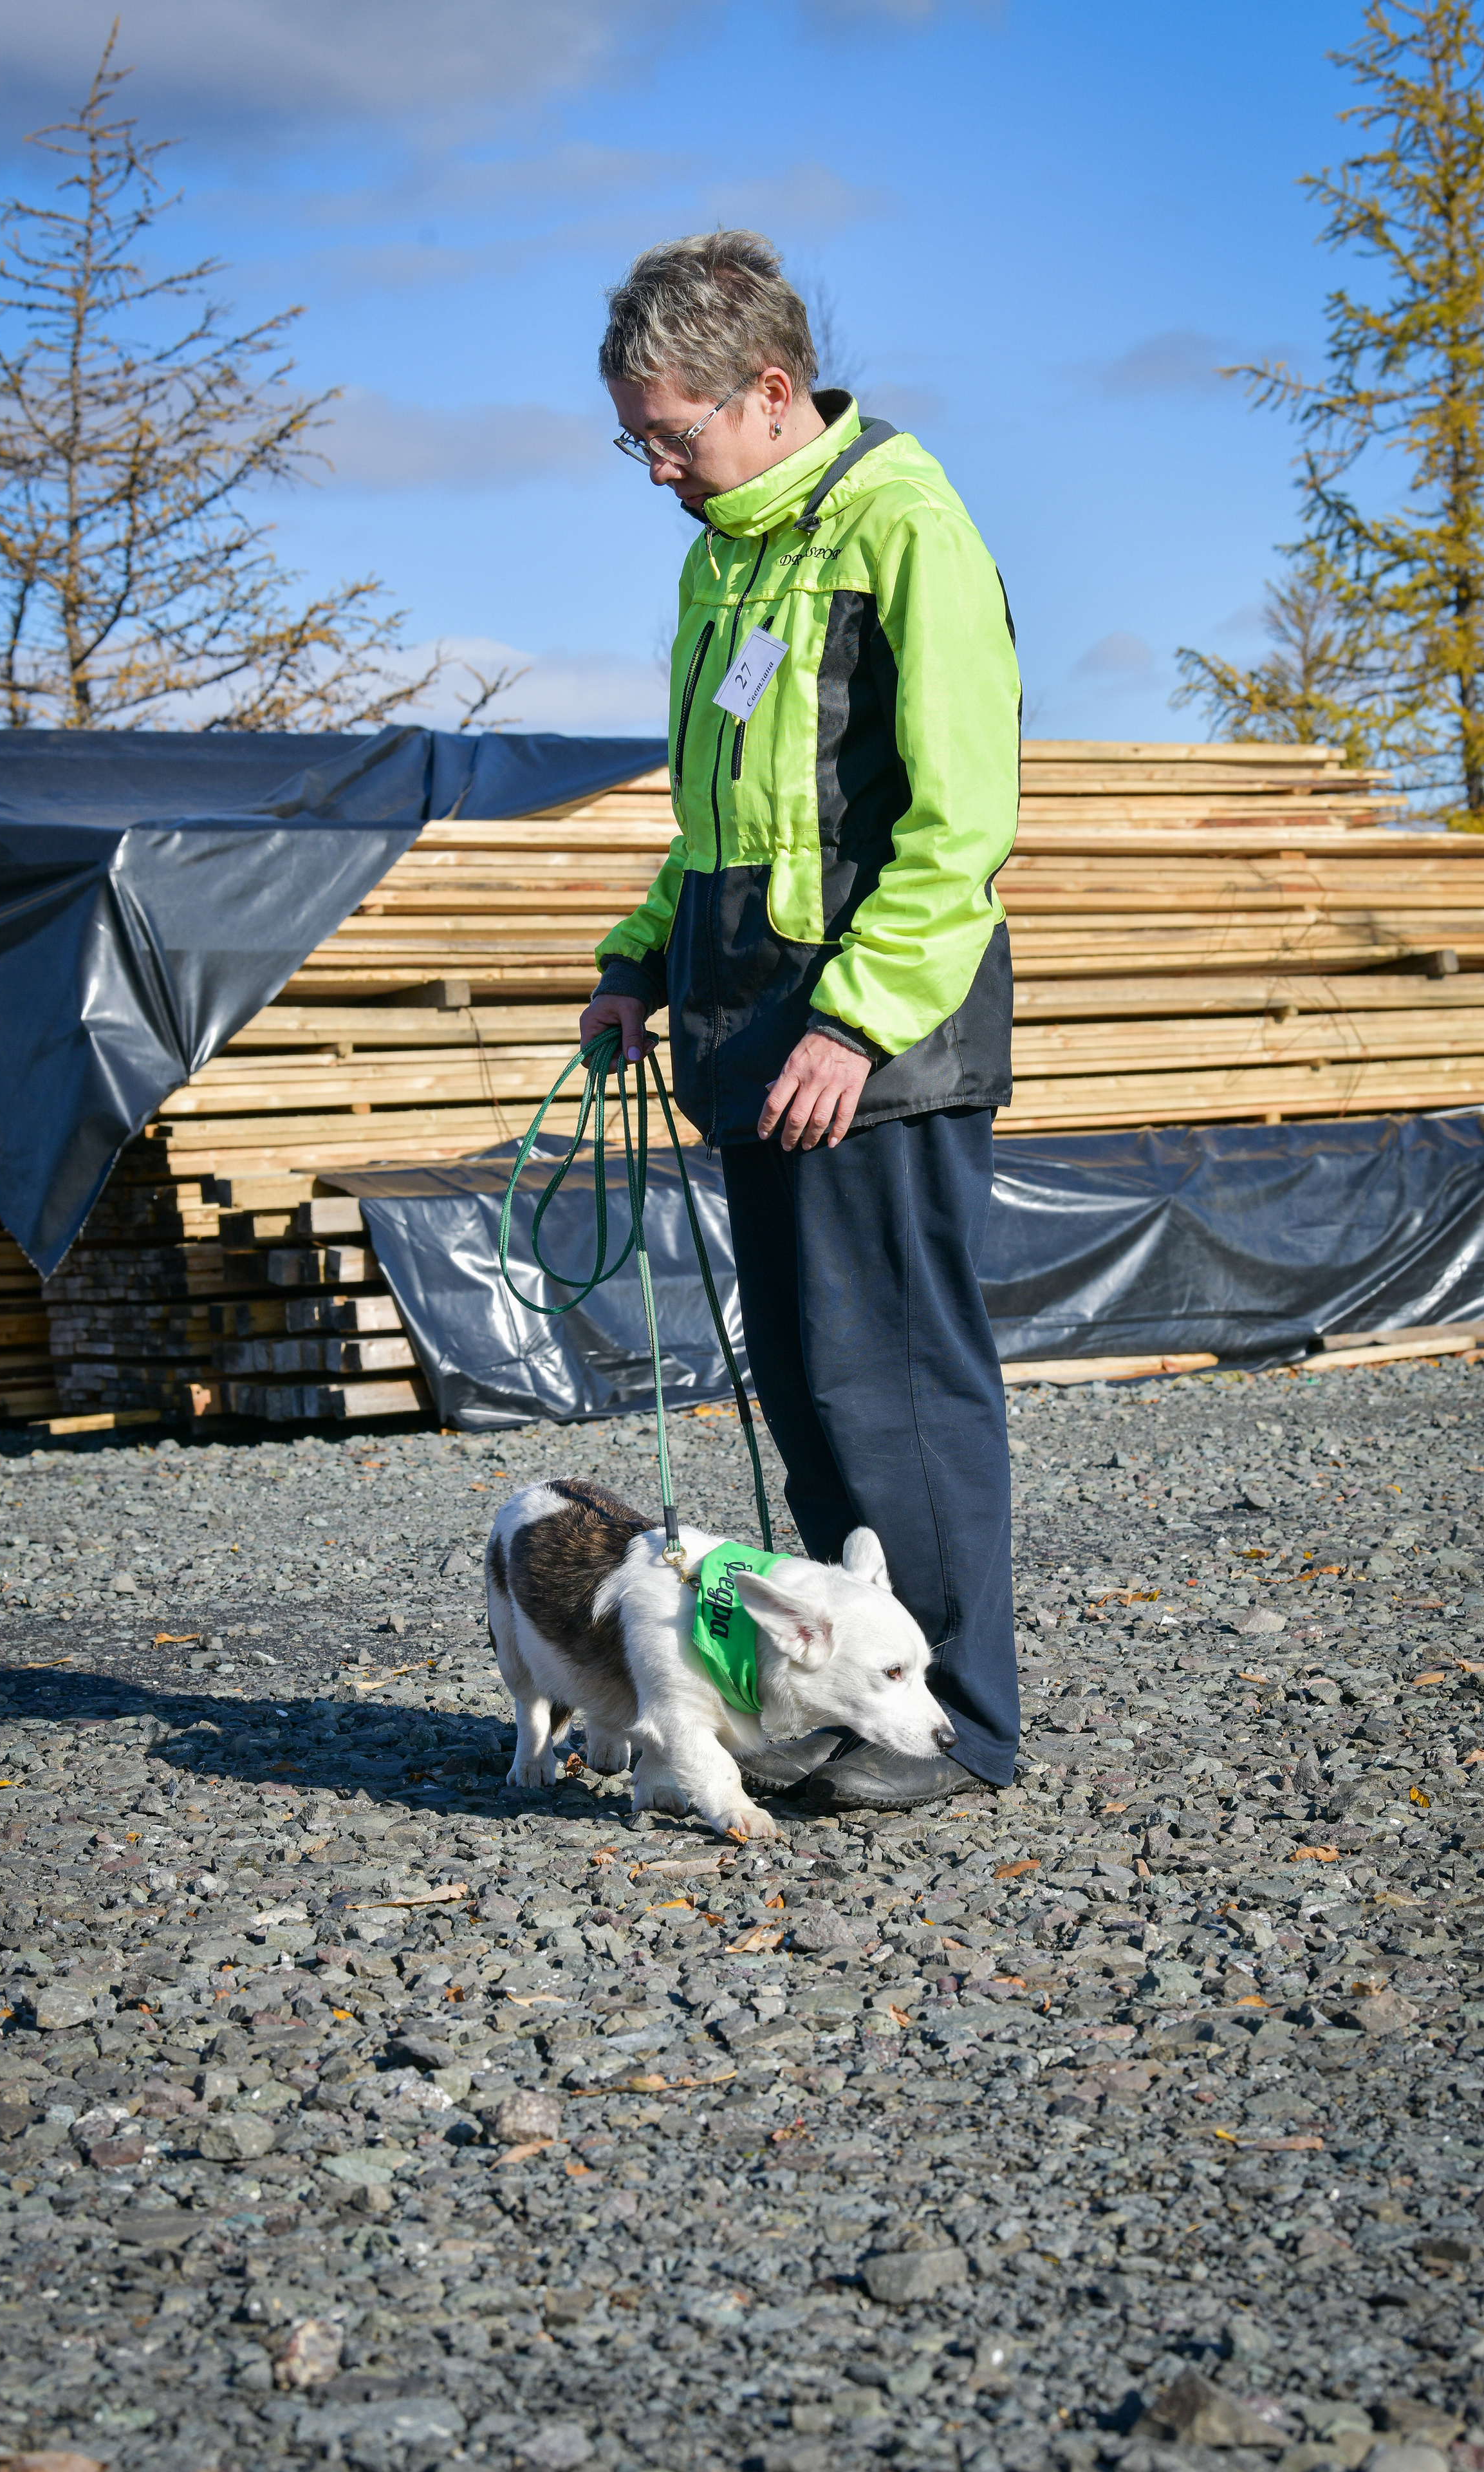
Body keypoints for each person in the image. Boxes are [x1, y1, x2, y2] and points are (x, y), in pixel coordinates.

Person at [579, 230, 1021, 1813]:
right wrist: (639, 960)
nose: (656, 470)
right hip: (751, 1037)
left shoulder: (904, 526)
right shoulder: (721, 555)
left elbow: (960, 823)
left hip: (870, 1047)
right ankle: (849, 1701)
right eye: (634, 441)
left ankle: (959, 1725)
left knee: (894, 1388)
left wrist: (855, 1022)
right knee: (810, 1389)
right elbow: (717, 819)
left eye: (670, 435)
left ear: (769, 394)